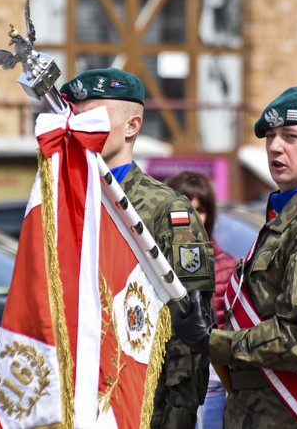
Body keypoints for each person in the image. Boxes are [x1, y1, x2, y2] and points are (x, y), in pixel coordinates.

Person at [172, 85, 297, 427]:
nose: (275, 147)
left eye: (291, 137)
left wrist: (215, 341)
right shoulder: (285, 218)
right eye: (271, 136)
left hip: (294, 413)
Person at [61, 68, 215, 428]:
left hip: (141, 405)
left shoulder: (166, 210)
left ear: (132, 126)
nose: (82, 126)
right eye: (77, 117)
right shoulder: (65, 202)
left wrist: (176, 419)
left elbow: (188, 336)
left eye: (96, 116)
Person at [165, 171, 235, 429]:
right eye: (185, 208)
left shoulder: (227, 266)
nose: (193, 217)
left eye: (201, 209)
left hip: (211, 385)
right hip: (165, 385)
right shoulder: (151, 266)